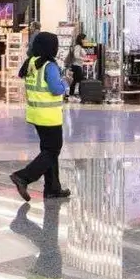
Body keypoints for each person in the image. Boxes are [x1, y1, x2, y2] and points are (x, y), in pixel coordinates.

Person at [10, 31, 71, 202]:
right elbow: (56, 89)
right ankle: (24, 177)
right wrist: (66, 83)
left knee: (48, 150)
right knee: (53, 150)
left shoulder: (31, 63)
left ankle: (53, 188)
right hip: (49, 115)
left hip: (36, 113)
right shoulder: (49, 66)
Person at [68, 34, 86, 98]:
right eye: (84, 39)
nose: (85, 40)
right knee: (81, 80)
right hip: (76, 66)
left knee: (75, 80)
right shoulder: (78, 46)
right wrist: (84, 59)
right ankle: (80, 94)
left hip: (78, 66)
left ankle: (72, 94)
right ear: (81, 39)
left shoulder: (80, 47)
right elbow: (76, 56)